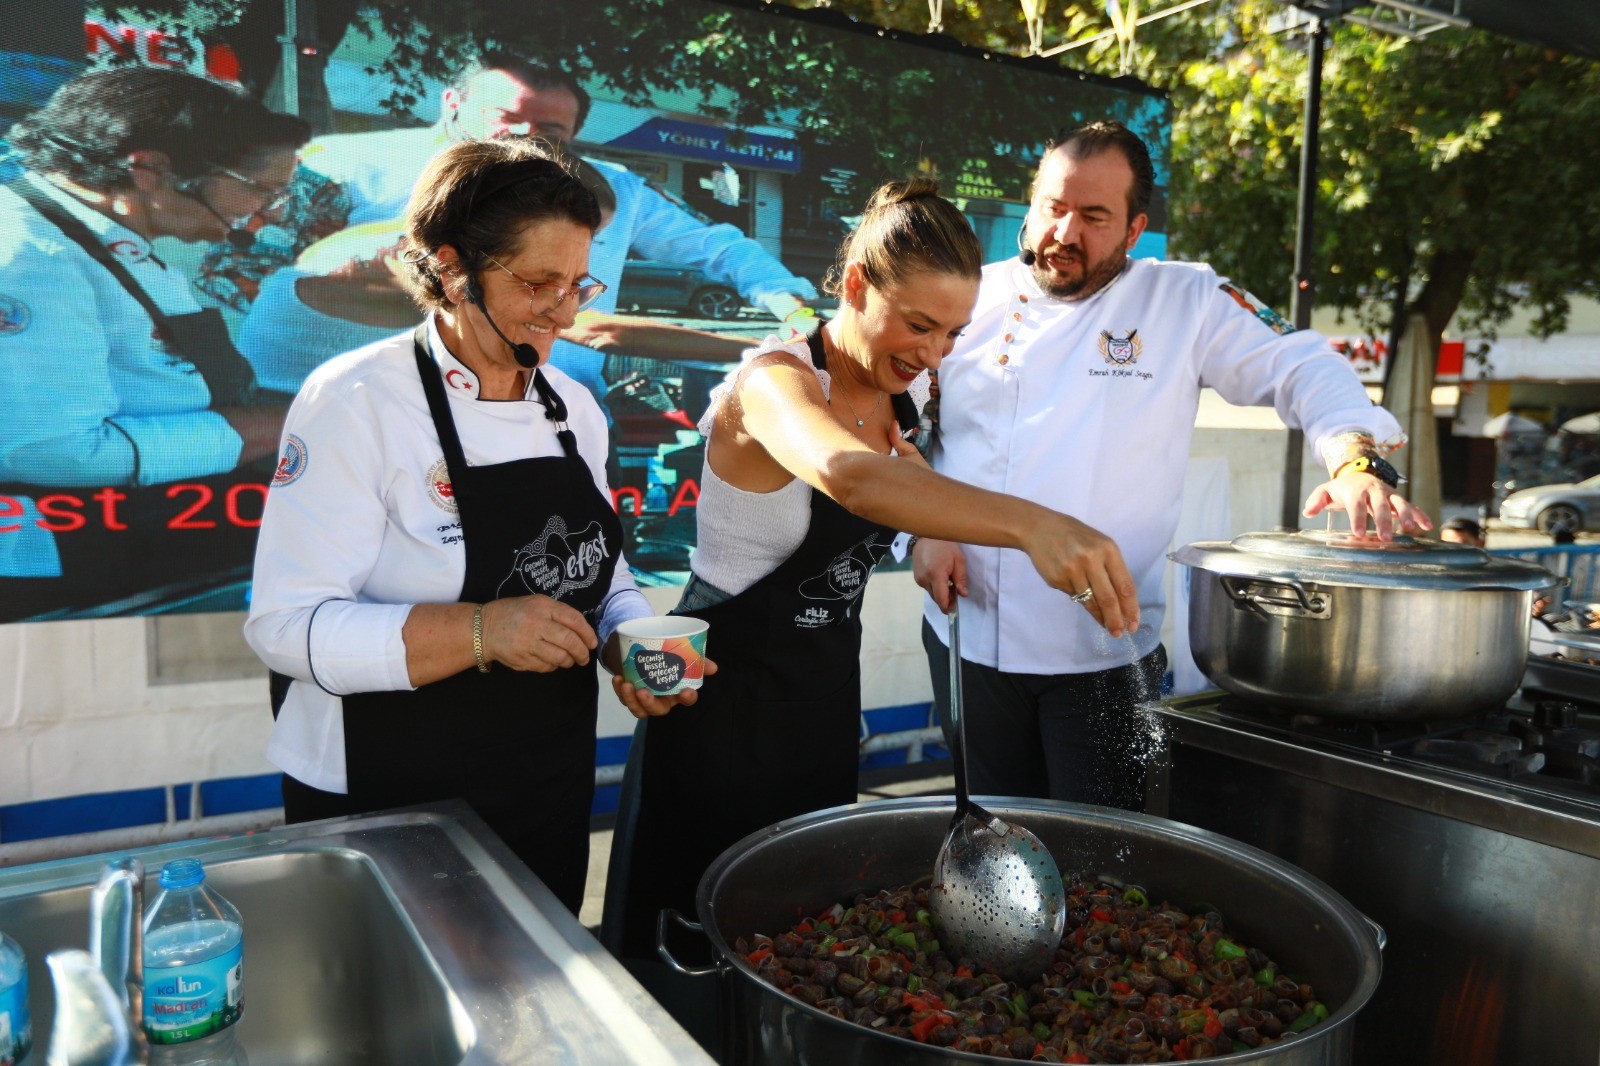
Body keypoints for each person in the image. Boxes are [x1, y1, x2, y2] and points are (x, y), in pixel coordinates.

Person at [602, 177, 1142, 966]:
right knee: (698, 940)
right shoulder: (775, 384)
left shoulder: (903, 396)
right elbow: (851, 476)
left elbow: (901, 481)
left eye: (953, 335)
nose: (932, 355)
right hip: (717, 703)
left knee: (804, 936)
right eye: (919, 325)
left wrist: (925, 538)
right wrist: (1032, 526)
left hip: (819, 702)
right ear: (856, 285)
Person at [243, 138, 706, 915]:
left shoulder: (573, 408)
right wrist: (483, 631)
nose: (566, 312)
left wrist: (631, 640)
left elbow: (603, 575)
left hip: (543, 781)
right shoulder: (356, 400)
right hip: (388, 794)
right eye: (536, 284)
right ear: (452, 269)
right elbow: (285, 628)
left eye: (577, 283)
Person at [912, 120, 1433, 811]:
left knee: (1100, 863)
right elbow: (893, 424)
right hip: (962, 633)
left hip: (1101, 656)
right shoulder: (966, 296)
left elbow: (1302, 363)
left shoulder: (1185, 300)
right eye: (1052, 207)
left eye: (1094, 217)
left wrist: (1355, 457)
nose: (1064, 234)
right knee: (983, 840)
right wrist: (917, 531)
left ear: (1134, 230)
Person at [205, 56, 814, 400]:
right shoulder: (344, 170)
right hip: (364, 406)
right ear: (452, 106)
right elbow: (594, 330)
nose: (529, 145)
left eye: (552, 134)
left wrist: (790, 307)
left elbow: (714, 248)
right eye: (508, 123)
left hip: (556, 407)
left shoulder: (614, 186)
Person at [0, 67, 307, 618]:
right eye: (261, 189)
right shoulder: (26, 254)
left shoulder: (104, 234)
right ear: (150, 171)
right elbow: (55, 452)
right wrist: (283, 425)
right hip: (71, 561)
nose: (271, 212)